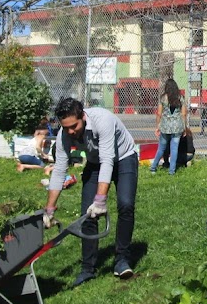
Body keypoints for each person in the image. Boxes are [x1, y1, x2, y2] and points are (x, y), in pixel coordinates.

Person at [43, 97, 139, 286]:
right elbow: (60, 169)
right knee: (87, 214)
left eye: (74, 126)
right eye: (66, 127)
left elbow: (108, 160)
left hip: (124, 158)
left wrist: (101, 200)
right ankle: (88, 269)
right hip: (95, 164)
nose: (71, 131)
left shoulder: (103, 120)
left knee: (126, 205)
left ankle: (122, 260)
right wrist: (50, 210)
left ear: (83, 117)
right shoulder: (64, 134)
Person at [150, 78, 187, 175]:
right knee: (174, 149)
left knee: (161, 148)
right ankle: (172, 171)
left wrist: (157, 126)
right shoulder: (181, 98)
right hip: (177, 127)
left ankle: (153, 167)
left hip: (165, 126)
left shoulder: (163, 98)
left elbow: (159, 113)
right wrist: (184, 128)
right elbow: (183, 114)